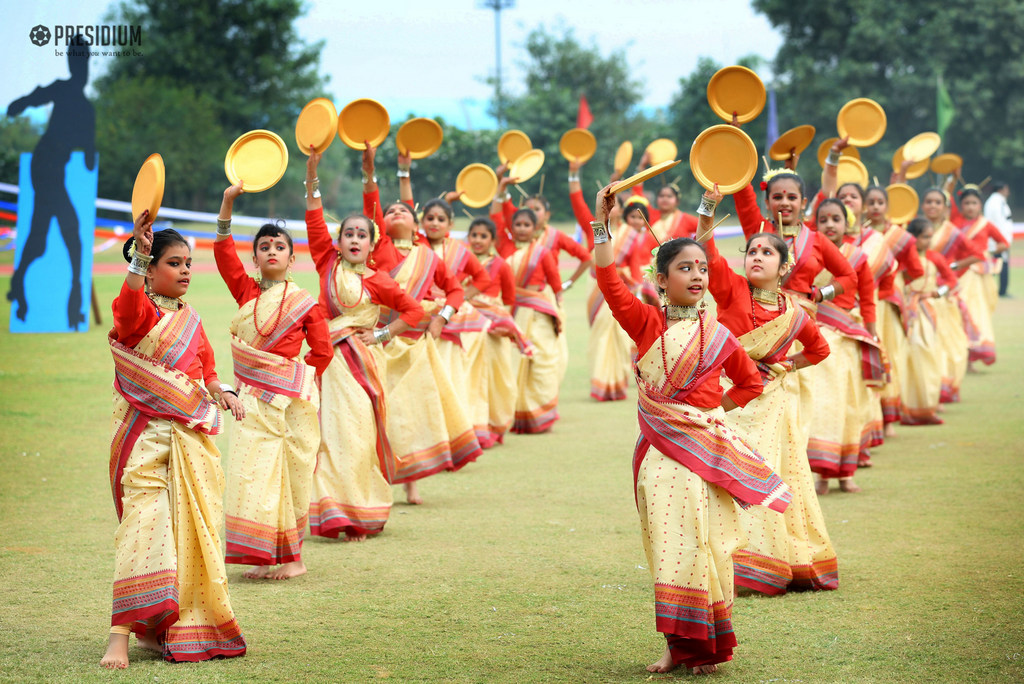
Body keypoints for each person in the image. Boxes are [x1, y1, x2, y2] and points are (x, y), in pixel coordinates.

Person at [591, 184, 789, 675]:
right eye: (685, 267)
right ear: (661, 279)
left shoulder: (717, 334)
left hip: (707, 448)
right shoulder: (644, 324)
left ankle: (709, 645)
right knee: (671, 544)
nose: (697, 275)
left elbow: (748, 382)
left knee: (712, 544)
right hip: (660, 452)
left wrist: (712, 411)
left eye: (701, 268)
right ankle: (675, 645)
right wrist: (602, 223)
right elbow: (607, 278)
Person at [101, 214, 246, 668]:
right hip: (144, 444)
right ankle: (119, 635)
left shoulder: (192, 319)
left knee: (187, 535)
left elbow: (207, 368)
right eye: (174, 262)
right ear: (150, 267)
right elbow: (126, 309)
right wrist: (139, 258)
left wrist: (222, 391)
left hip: (190, 441)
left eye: (188, 263)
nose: (185, 270)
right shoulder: (140, 312)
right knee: (143, 532)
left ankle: (166, 629)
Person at [696, 186, 836, 594]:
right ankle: (723, 560)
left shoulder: (793, 315)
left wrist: (783, 366)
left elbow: (819, 349)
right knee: (725, 475)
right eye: (751, 251)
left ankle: (761, 564)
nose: (756, 256)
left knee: (762, 476)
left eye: (766, 252)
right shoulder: (731, 289)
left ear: (783, 265)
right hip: (725, 398)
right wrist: (708, 206)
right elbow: (705, 247)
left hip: (769, 404)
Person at [304, 149, 425, 537]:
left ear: (373, 245)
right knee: (326, 436)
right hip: (325, 363)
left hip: (361, 368)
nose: (355, 239)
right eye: (349, 234)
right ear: (336, 242)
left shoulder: (378, 280)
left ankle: (361, 510)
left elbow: (414, 312)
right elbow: (314, 218)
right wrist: (312, 172)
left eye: (362, 234)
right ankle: (332, 511)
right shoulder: (326, 263)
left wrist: (381, 334)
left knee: (356, 436)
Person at [214, 182, 332, 578]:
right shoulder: (247, 293)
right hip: (251, 401)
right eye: (264, 247)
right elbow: (223, 254)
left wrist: (298, 380)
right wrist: (228, 204)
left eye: (279, 246)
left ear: (292, 257)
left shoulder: (305, 304)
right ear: (256, 258)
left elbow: (322, 351)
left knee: (289, 473)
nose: (271, 251)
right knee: (252, 473)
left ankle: (294, 558)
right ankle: (263, 556)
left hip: (290, 403)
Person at [361, 146, 483, 504]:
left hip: (416, 345)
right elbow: (372, 201)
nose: (396, 211)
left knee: (412, 412)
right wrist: (380, 172)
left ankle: (412, 483)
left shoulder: (428, 256)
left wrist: (442, 319)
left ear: (415, 225)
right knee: (381, 412)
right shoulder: (378, 247)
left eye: (403, 209)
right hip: (380, 343)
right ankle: (378, 480)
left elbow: (457, 290)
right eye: (390, 210)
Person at [6, 40, 95, 328]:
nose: (80, 68)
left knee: (41, 239)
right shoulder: (65, 90)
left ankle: (19, 282)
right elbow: (35, 96)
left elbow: (89, 154)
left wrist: (89, 151)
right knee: (71, 234)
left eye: (83, 62)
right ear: (72, 64)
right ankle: (75, 301)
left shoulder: (85, 107)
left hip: (54, 170)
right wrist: (18, 104)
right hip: (45, 167)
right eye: (76, 62)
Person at [803, 199, 884, 494]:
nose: (829, 225)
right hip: (816, 337)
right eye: (823, 220)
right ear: (816, 224)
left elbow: (868, 298)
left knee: (849, 404)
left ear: (847, 223)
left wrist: (873, 334)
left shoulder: (858, 257)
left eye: (836, 219)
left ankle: (847, 472)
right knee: (822, 405)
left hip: (846, 338)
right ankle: (822, 475)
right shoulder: (808, 253)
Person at [568, 158, 646, 401]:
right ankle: (601, 386)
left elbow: (634, 270)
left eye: (617, 203)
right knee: (601, 337)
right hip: (597, 292)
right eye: (608, 202)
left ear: (621, 207)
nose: (613, 206)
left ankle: (617, 384)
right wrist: (573, 175)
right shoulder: (595, 230)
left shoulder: (631, 235)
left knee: (621, 338)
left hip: (622, 292)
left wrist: (629, 279)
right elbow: (578, 203)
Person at [488, 200, 564, 433]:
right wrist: (500, 192)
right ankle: (512, 414)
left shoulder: (542, 252)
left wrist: (557, 306)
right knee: (512, 362)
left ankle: (539, 414)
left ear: (535, 228)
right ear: (511, 227)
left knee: (541, 361)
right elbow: (495, 219)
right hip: (511, 312)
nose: (521, 228)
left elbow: (555, 282)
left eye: (526, 224)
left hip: (538, 312)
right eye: (517, 224)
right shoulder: (505, 248)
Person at [858, 185, 924, 436]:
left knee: (890, 356)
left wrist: (896, 278)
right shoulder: (857, 234)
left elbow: (916, 271)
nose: (875, 206)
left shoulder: (901, 237)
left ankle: (889, 419)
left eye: (879, 202)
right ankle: (871, 418)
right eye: (871, 202)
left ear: (887, 206)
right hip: (864, 301)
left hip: (888, 304)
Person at [465, 216, 533, 444]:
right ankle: (472, 428)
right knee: (471, 377)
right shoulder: (462, 262)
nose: (478, 240)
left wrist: (501, 323)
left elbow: (510, 299)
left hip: (495, 332)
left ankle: (494, 426)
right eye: (474, 235)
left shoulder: (500, 265)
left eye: (483, 236)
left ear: (493, 240)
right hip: (469, 328)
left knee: (496, 379)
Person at [921, 188, 983, 402]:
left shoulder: (953, 232)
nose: (932, 206)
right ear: (922, 205)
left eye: (938, 202)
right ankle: (928, 388)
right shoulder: (915, 229)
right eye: (929, 201)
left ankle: (944, 387)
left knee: (949, 343)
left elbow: (977, 255)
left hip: (943, 296)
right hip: (920, 293)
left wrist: (952, 266)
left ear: (946, 208)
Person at [900, 218, 961, 425]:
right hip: (907, 309)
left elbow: (951, 280)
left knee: (928, 353)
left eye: (929, 237)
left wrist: (938, 292)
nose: (927, 241)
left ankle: (927, 405)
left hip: (928, 310)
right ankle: (906, 407)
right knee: (907, 356)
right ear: (912, 238)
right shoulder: (903, 258)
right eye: (923, 237)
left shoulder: (934, 257)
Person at [950, 186, 1009, 367]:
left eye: (974, 203)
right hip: (959, 273)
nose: (970, 207)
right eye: (966, 203)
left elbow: (1003, 243)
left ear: (980, 205)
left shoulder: (985, 224)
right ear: (961, 205)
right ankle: (961, 358)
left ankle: (971, 359)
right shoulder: (955, 223)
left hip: (978, 277)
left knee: (976, 314)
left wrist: (988, 252)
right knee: (960, 313)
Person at [984, 182, 1013, 297]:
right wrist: (1004, 240)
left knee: (996, 265)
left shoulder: (996, 202)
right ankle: (1001, 291)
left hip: (998, 240)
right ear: (1002, 189)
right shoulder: (996, 202)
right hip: (999, 241)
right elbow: (1000, 223)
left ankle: (996, 290)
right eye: (1007, 189)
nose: (1008, 192)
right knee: (998, 265)